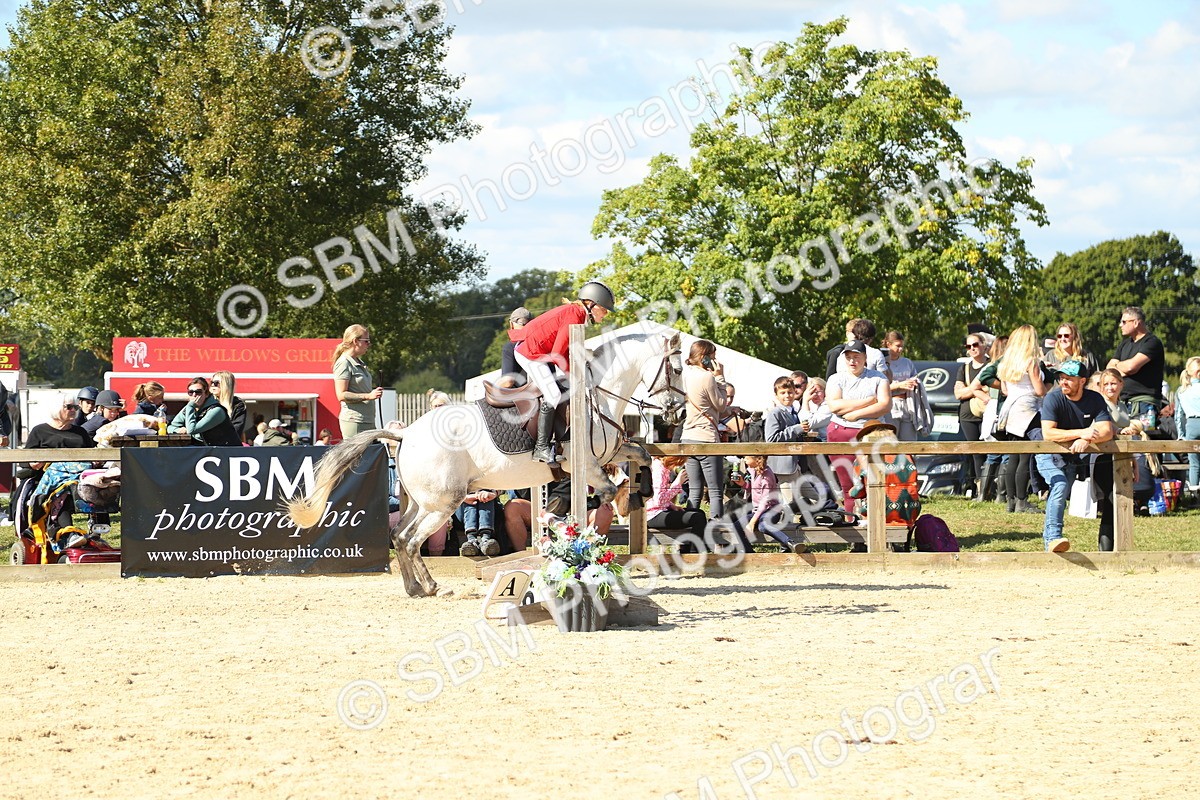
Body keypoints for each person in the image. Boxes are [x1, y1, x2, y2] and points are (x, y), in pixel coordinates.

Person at [513, 281, 614, 463]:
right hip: (529, 353)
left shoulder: (576, 313)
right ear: (593, 304)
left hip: (538, 351)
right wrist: (574, 377)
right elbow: (558, 353)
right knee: (553, 395)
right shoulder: (574, 315)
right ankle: (541, 448)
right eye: (604, 310)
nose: (605, 315)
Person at [1036, 360, 1114, 553]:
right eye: (1061, 378)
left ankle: (1050, 542)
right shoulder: (1053, 399)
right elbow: (1049, 433)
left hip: (1071, 457)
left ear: (1082, 381)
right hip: (1047, 453)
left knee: (1061, 491)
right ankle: (1053, 539)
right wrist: (1082, 433)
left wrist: (1087, 439)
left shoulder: (1095, 399)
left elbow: (1107, 430)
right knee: (1060, 485)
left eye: (1069, 379)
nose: (1063, 382)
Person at [825, 340, 892, 514]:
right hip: (840, 431)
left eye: (856, 357)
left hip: (870, 433)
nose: (852, 361)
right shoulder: (836, 378)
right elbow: (834, 406)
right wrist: (868, 401)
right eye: (848, 357)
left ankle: (875, 522)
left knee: (873, 480)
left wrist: (855, 414)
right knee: (848, 484)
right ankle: (852, 526)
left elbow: (885, 405)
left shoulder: (878, 378)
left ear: (865, 357)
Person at [995, 325, 1047, 514]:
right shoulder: (1031, 361)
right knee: (1025, 456)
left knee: (1013, 457)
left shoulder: (1006, 361)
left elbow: (1005, 390)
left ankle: (1011, 501)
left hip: (1010, 409)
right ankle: (1022, 501)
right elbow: (1040, 390)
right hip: (1027, 408)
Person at [680, 339, 730, 525]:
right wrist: (720, 378)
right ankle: (716, 535)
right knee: (715, 490)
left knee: (694, 489)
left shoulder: (685, 374)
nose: (715, 361)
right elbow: (721, 405)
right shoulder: (707, 377)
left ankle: (691, 532)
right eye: (713, 357)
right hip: (707, 438)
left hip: (688, 437)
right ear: (704, 358)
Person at [1107, 306, 1166, 421]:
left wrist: (1118, 365)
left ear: (1135, 323)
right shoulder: (1124, 345)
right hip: (1123, 403)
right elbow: (1110, 370)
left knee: (1141, 436)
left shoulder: (1152, 342)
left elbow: (1131, 367)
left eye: (1124, 322)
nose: (1120, 325)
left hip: (1145, 404)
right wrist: (1123, 368)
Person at [644, 455, 709, 553]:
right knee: (697, 518)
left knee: (699, 512)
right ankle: (694, 553)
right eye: (678, 464)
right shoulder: (659, 470)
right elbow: (659, 500)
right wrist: (677, 483)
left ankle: (687, 550)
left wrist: (671, 505)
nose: (676, 467)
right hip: (653, 515)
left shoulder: (660, 466)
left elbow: (657, 497)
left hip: (657, 510)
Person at [954, 332, 991, 493]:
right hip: (967, 415)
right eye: (968, 346)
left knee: (989, 451)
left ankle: (989, 486)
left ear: (984, 345)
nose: (972, 349)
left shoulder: (992, 365)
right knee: (974, 452)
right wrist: (977, 389)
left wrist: (968, 389)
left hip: (988, 414)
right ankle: (977, 487)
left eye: (975, 345)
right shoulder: (964, 368)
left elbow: (994, 391)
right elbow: (958, 394)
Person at [332, 324, 383, 440]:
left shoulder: (359, 362)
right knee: (358, 458)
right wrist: (368, 396)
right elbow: (341, 395)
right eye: (366, 341)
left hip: (367, 420)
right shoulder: (344, 363)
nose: (369, 345)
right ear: (355, 341)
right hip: (355, 421)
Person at [168, 377, 243, 446]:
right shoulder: (189, 408)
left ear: (206, 393)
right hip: (206, 449)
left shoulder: (216, 410)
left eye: (198, 392)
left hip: (227, 450)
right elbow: (170, 427)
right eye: (191, 392)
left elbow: (192, 430)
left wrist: (190, 406)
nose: (194, 395)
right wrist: (178, 430)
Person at [882, 331, 920, 441]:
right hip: (890, 405)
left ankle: (908, 459)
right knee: (890, 444)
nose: (900, 349)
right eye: (897, 346)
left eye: (902, 346)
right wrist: (899, 385)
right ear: (888, 345)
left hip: (907, 404)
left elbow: (915, 379)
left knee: (909, 443)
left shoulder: (907, 362)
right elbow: (877, 388)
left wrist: (914, 383)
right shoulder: (882, 363)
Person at [1174, 357, 1200, 489]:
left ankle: (1195, 496)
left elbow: (1178, 415)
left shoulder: (1181, 390)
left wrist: (1181, 434)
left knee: (1194, 464)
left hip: (1191, 426)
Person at [210, 371, 248, 443]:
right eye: (211, 382)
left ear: (226, 385)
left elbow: (236, 430)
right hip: (207, 446)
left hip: (229, 447)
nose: (212, 385)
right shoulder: (207, 402)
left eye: (216, 383)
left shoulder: (238, 405)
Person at [500, 306, 533, 387]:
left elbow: (508, 382)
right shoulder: (541, 342)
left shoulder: (510, 347)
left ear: (511, 324)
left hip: (523, 395)